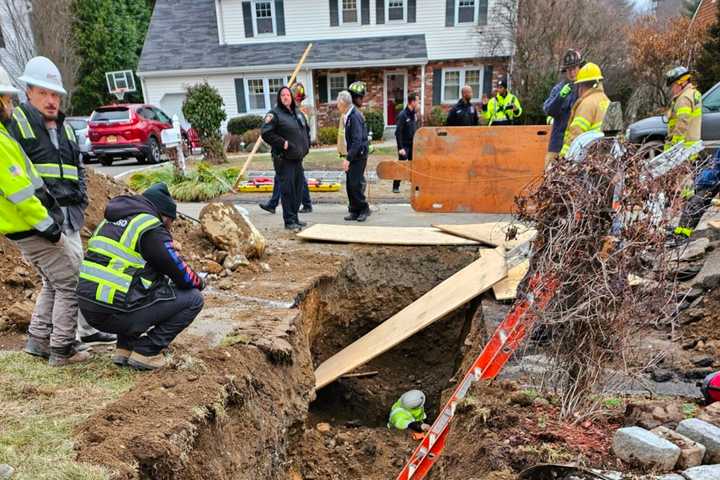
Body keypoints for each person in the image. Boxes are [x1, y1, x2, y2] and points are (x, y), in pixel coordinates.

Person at [7, 56, 116, 347]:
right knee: (68, 278)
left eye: (54, 94)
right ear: (28, 91)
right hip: (41, 218)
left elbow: (77, 169)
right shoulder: (17, 124)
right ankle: (64, 339)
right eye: (43, 93)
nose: (51, 100)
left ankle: (72, 332)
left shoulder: (66, 128)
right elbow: (17, 177)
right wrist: (42, 218)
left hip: (69, 215)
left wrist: (81, 201)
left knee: (68, 275)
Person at [0, 66, 89, 366]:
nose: (10, 106)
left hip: (31, 225)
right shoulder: (5, 139)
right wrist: (49, 227)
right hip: (36, 225)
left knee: (54, 281)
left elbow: (76, 169)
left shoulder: (8, 136)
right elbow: (21, 193)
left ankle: (38, 340)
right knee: (71, 282)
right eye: (7, 100)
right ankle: (63, 348)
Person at [77, 183, 205, 370]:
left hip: (90, 309)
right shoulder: (149, 226)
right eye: (171, 222)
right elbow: (179, 273)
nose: (169, 228)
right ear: (164, 215)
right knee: (193, 299)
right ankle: (147, 351)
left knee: (138, 284)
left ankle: (125, 350)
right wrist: (199, 281)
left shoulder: (111, 221)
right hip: (115, 313)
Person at [260, 86, 311, 232]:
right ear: (279, 98)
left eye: (288, 94)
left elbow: (305, 130)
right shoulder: (274, 114)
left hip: (297, 159)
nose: (285, 97)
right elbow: (266, 133)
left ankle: (295, 218)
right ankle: (289, 221)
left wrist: (306, 145)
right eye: (282, 95)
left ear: (291, 97)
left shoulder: (297, 113)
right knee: (287, 190)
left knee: (298, 189)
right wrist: (283, 143)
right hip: (284, 159)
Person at [559, 63, 610, 158]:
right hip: (605, 157)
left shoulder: (587, 104)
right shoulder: (606, 101)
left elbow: (576, 133)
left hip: (588, 158)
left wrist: (563, 158)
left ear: (581, 85)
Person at [543, 49, 584, 166]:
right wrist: (560, 97)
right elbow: (548, 110)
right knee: (550, 178)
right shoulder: (559, 89)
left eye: (574, 68)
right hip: (557, 145)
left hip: (578, 145)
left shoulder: (585, 89)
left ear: (580, 68)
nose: (571, 72)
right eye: (568, 69)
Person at [342, 82, 371, 222]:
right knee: (349, 184)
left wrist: (348, 158)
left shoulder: (355, 116)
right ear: (353, 98)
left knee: (355, 184)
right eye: (359, 97)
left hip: (358, 156)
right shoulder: (350, 114)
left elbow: (357, 140)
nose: (361, 100)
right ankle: (354, 210)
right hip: (354, 154)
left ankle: (364, 208)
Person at [392, 93, 419, 193]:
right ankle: (395, 186)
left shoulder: (413, 115)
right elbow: (398, 132)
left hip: (413, 145)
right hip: (404, 146)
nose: (418, 103)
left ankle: (416, 186)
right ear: (412, 102)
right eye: (417, 101)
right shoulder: (402, 115)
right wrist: (400, 148)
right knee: (402, 165)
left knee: (414, 166)